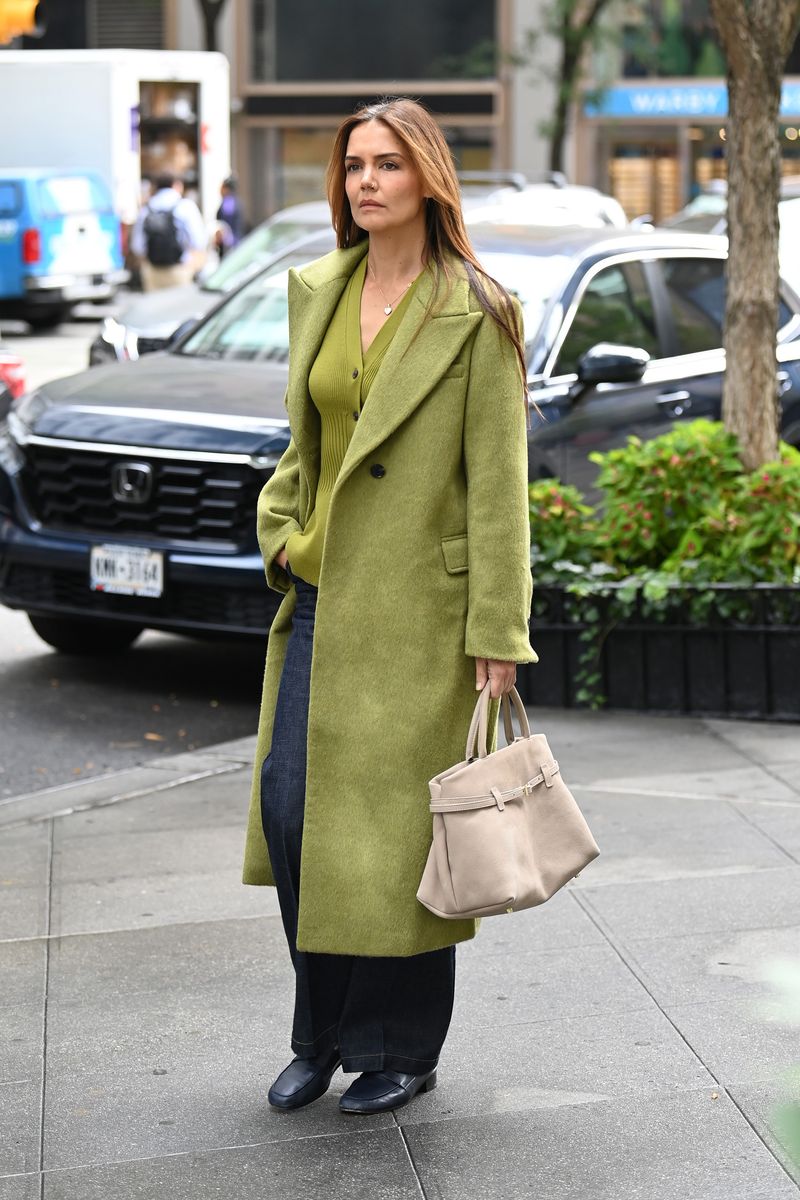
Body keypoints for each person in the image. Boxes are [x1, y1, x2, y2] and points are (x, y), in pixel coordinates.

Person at [241, 97, 537, 1117]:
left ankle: (398, 1048)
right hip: (321, 596)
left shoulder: (478, 312)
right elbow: (302, 444)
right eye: (353, 165)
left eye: (386, 165)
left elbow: (497, 488)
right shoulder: (317, 289)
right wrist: (279, 529)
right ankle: (317, 1035)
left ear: (426, 180)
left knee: (400, 839)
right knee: (297, 818)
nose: (364, 181)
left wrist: (497, 637)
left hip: (421, 614)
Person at [130, 172, 207, 291]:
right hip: (179, 271)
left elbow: (137, 247)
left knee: (154, 308)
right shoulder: (185, 206)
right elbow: (199, 242)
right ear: (177, 185)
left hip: (152, 272)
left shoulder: (146, 209)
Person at [214, 174, 245, 257]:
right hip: (235, 244)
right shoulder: (234, 201)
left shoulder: (228, 203)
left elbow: (225, 229)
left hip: (229, 247)